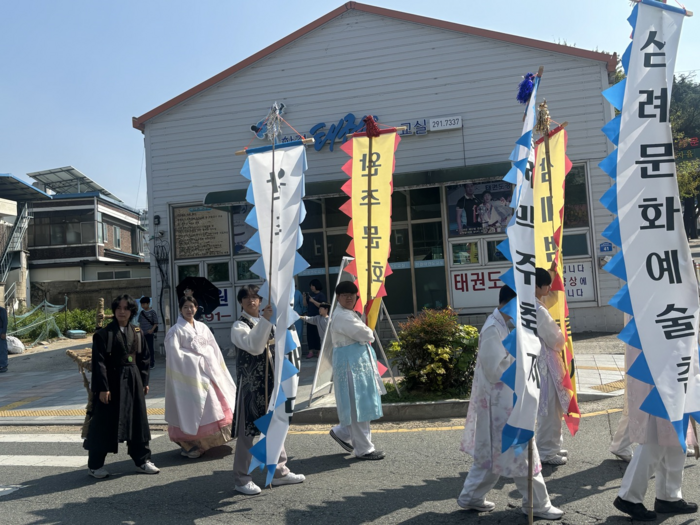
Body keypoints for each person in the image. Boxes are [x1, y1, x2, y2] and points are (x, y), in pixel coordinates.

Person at [458, 285, 563, 520]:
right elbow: (495, 371)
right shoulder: (492, 329)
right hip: (501, 405)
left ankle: (471, 496)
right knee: (522, 452)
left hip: (505, 403)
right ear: (507, 303)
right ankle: (537, 504)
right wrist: (520, 353)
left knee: (490, 455)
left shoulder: (504, 324)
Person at [230, 285, 305, 495]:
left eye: (255, 297)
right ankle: (242, 478)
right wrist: (266, 320)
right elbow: (253, 346)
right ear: (241, 302)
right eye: (246, 298)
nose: (251, 301)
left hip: (272, 386)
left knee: (276, 427)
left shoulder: (269, 322)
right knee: (248, 434)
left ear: (261, 301)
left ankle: (279, 471)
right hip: (251, 389)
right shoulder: (238, 326)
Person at [612, 341, 699, 520]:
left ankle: (669, 496)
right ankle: (629, 497)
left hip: (677, 364)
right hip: (660, 369)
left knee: (676, 437)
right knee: (655, 439)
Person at [83, 294, 159, 479]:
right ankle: (95, 465)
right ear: (114, 311)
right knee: (104, 422)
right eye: (118, 308)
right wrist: (102, 388)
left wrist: (144, 381)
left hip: (133, 380)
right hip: (111, 382)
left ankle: (142, 460)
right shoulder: (103, 335)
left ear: (132, 311)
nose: (122, 312)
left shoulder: (138, 332)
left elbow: (144, 359)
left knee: (138, 421)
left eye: (126, 308)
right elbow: (99, 362)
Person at [164, 296, 237, 459]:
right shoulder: (175, 331)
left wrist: (213, 362)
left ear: (196, 308)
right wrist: (196, 358)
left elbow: (214, 348)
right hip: (190, 378)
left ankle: (207, 443)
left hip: (209, 373)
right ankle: (191, 444)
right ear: (180, 310)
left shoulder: (203, 327)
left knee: (214, 405)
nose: (189, 310)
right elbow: (175, 356)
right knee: (194, 408)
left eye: (192, 306)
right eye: (185, 307)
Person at [328, 281, 385, 461]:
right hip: (350, 367)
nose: (349, 298)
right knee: (358, 405)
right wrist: (367, 329)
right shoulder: (343, 316)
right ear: (338, 297)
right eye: (345, 295)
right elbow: (367, 335)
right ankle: (364, 449)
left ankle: (342, 432)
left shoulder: (347, 313)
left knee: (358, 404)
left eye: (352, 295)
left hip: (355, 365)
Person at [534, 267, 570, 465]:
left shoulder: (531, 304)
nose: (549, 287)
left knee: (550, 407)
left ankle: (551, 447)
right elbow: (554, 337)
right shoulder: (538, 309)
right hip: (545, 363)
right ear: (537, 286)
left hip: (541, 361)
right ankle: (547, 451)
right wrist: (561, 338)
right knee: (549, 407)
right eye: (546, 283)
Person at [303, 279, 327, 359]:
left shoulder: (321, 295)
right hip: (310, 317)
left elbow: (322, 305)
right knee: (310, 335)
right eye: (311, 286)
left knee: (317, 335)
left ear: (316, 285)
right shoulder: (311, 295)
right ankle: (311, 351)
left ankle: (319, 351)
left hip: (318, 317)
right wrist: (304, 298)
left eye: (312, 285)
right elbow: (305, 304)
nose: (311, 287)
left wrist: (313, 301)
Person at [138, 296, 159, 370]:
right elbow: (140, 323)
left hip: (149, 334)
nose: (142, 306)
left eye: (144, 304)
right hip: (142, 334)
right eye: (141, 304)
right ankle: (144, 362)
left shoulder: (152, 312)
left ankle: (152, 363)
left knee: (150, 349)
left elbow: (156, 322)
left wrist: (151, 330)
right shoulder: (141, 313)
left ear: (148, 303)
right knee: (143, 349)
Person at [0, 304, 8, 373]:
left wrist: (3, 332)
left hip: (0, 330)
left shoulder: (2, 310)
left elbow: (5, 322)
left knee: (2, 349)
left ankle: (3, 365)